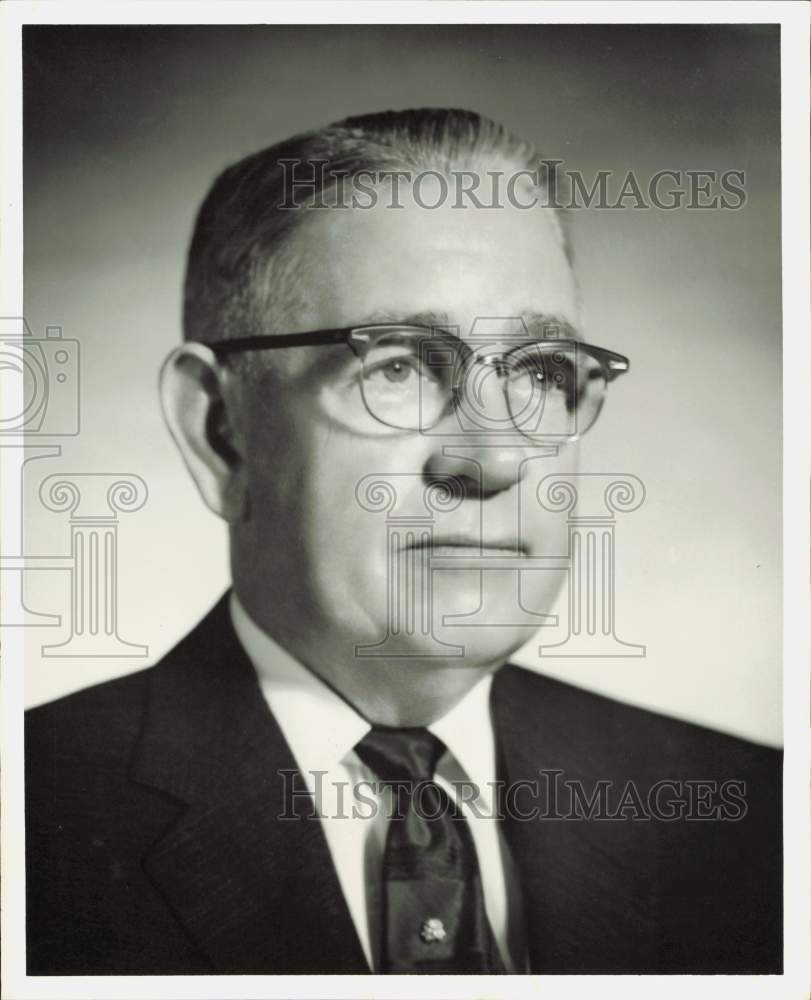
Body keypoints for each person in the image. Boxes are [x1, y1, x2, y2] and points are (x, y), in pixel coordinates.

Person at [25, 108, 781, 975]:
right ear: (220, 431)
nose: (493, 457)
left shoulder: (764, 820)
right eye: (399, 366)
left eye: (540, 371)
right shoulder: (35, 819)